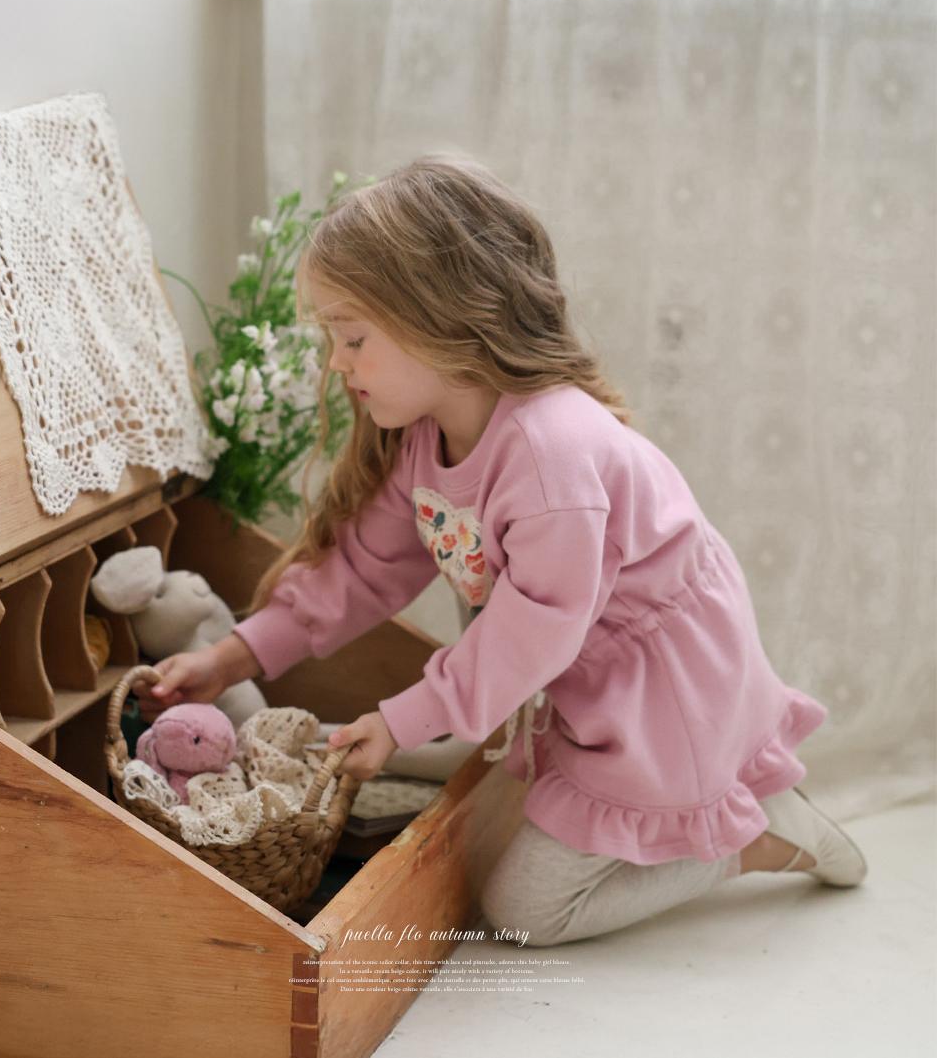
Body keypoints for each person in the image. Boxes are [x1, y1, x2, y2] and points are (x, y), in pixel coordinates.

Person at [136, 153, 867, 946]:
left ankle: (755, 839)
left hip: (661, 688)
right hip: (581, 674)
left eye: (352, 337)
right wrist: (235, 655)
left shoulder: (552, 454)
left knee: (525, 912)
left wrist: (403, 718)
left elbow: (532, 630)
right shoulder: (427, 437)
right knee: (495, 804)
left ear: (438, 322)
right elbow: (361, 570)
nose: (337, 362)